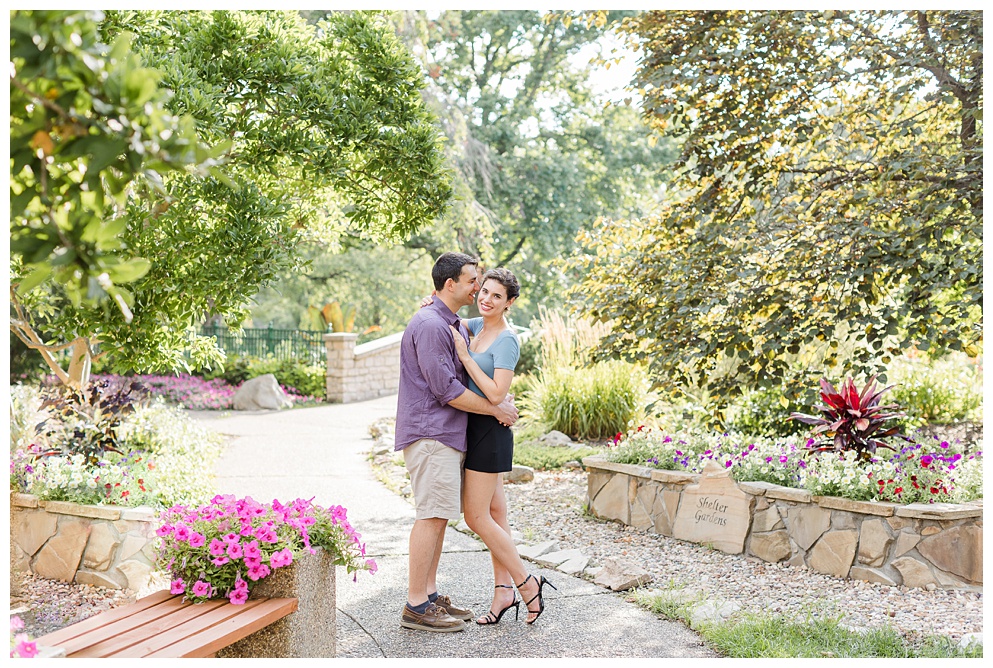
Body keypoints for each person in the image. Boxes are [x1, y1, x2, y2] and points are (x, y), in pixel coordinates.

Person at [394, 252, 520, 633]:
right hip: (432, 433)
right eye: (473, 282)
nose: (478, 289)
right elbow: (446, 389)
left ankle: (429, 597)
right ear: (451, 284)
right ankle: (416, 604)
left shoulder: (450, 322)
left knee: (439, 517)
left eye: (487, 287)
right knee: (430, 517)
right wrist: (495, 409)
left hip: (447, 435)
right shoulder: (432, 324)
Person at [423, 268, 555, 625]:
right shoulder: (475, 326)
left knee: (475, 517)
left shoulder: (507, 340)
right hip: (472, 425)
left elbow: (497, 394)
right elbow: (446, 314)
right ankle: (503, 594)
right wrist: (430, 302)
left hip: (490, 431)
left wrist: (466, 359)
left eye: (497, 296)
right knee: (496, 516)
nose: (486, 299)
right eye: (484, 291)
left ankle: (528, 584)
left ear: (509, 303)